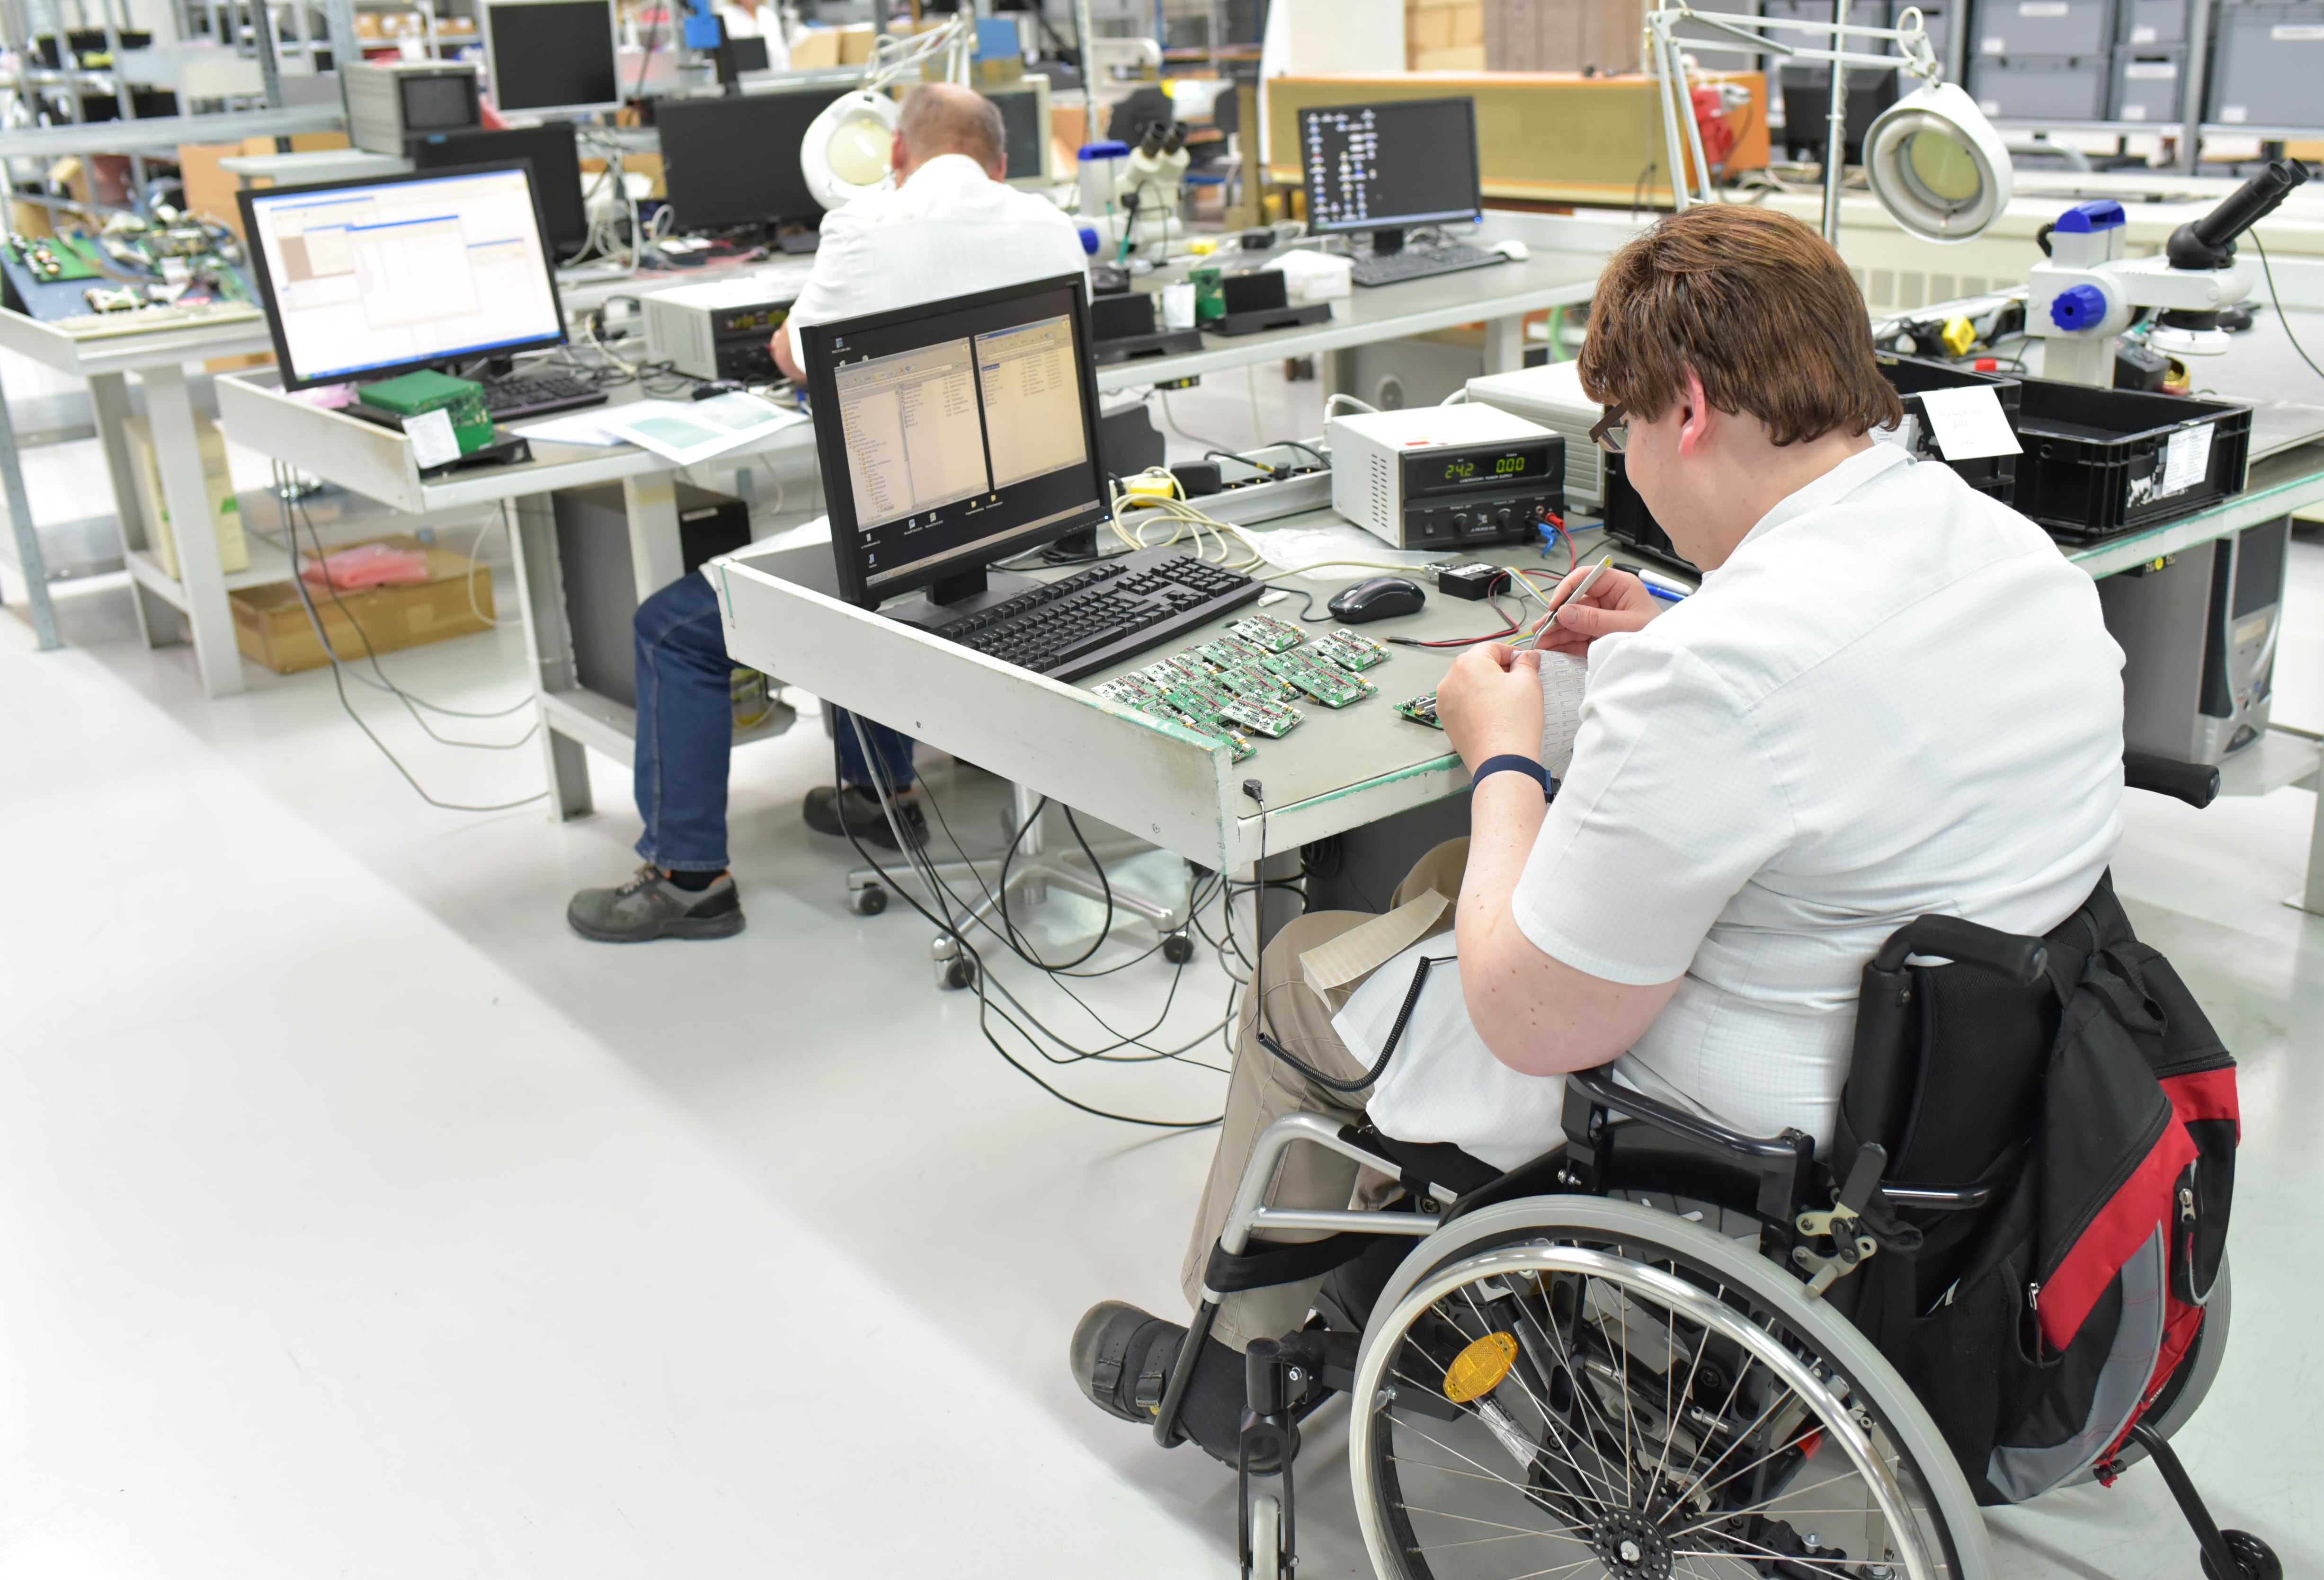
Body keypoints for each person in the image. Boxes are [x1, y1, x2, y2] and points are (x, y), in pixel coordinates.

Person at [1068, 204, 2129, 1465]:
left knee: (1306, 976)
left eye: (1623, 426)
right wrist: (1668, 629)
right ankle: (1404, 1250)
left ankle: (1237, 1366)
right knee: (1439, 882)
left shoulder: (1718, 672)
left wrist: (1503, 751)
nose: (1627, 458)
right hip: (1980, 1075)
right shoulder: (2009, 554)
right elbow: (1861, 706)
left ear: (1685, 409)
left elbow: (1534, 1020)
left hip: (1767, 1111)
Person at [567, 82, 1089, 943]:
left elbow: (796, 354)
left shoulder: (866, 224)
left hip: (905, 538)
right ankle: (879, 797)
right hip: (1021, 527)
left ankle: (688, 877)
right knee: (887, 570)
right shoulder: (1048, 223)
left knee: (679, 627)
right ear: (1001, 165)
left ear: (893, 156)